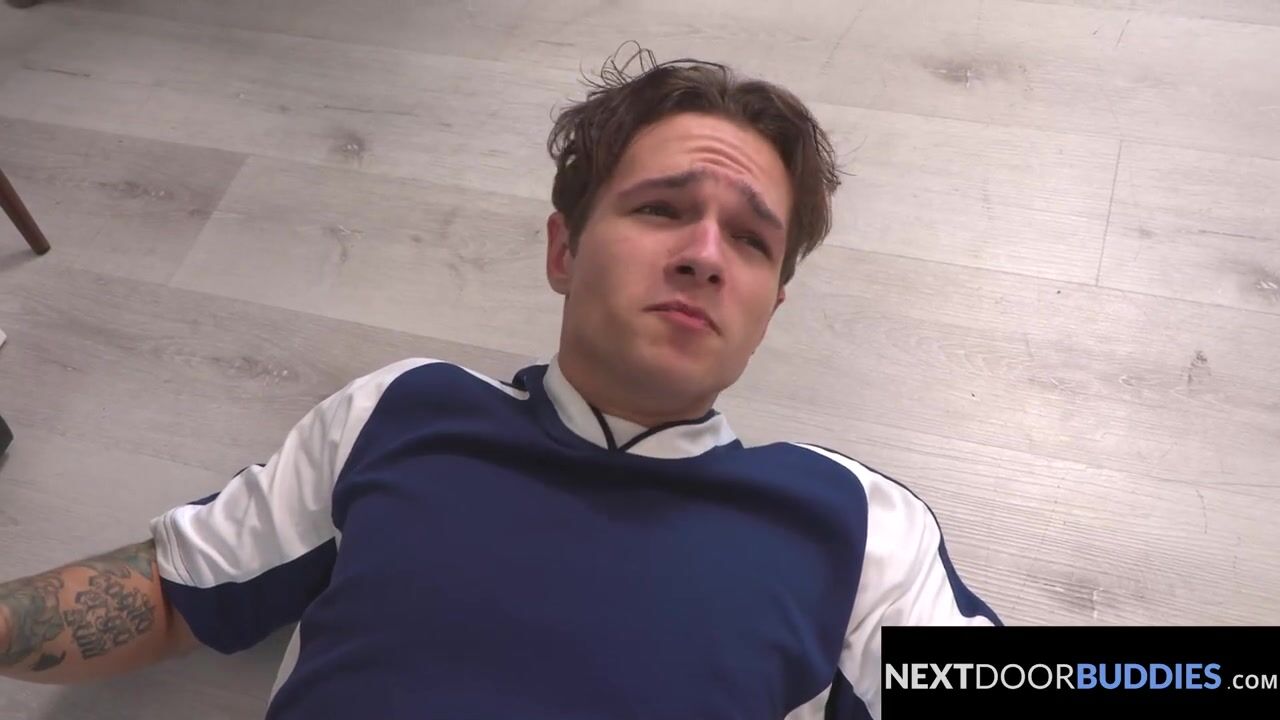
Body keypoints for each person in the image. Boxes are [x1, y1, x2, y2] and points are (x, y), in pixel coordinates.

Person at [0, 50, 1001, 719]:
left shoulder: (855, 528)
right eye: (661, 209)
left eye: (749, 240)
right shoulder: (402, 413)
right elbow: (172, 593)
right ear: (563, 250)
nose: (704, 254)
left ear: (768, 309)